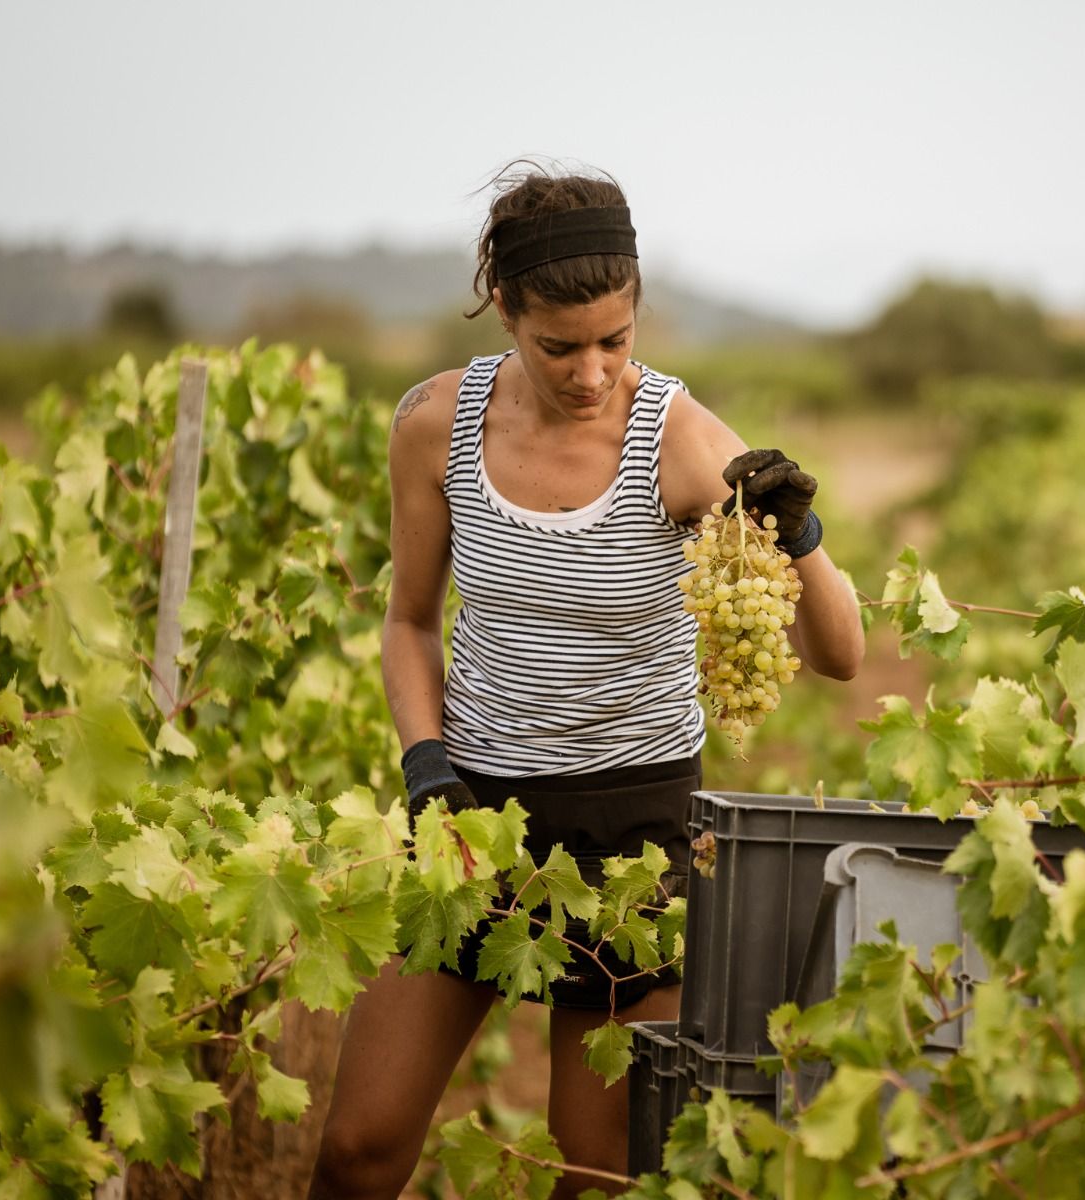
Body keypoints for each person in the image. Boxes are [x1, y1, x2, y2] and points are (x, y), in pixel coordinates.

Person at [307, 162, 865, 1199]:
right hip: (470, 815)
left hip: (637, 840)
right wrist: (426, 763)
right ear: (505, 311)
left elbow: (841, 653)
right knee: (358, 1151)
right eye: (560, 347)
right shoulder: (435, 423)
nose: (593, 372)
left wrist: (799, 530)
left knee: (597, 1173)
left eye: (617, 340)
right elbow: (410, 620)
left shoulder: (685, 443)